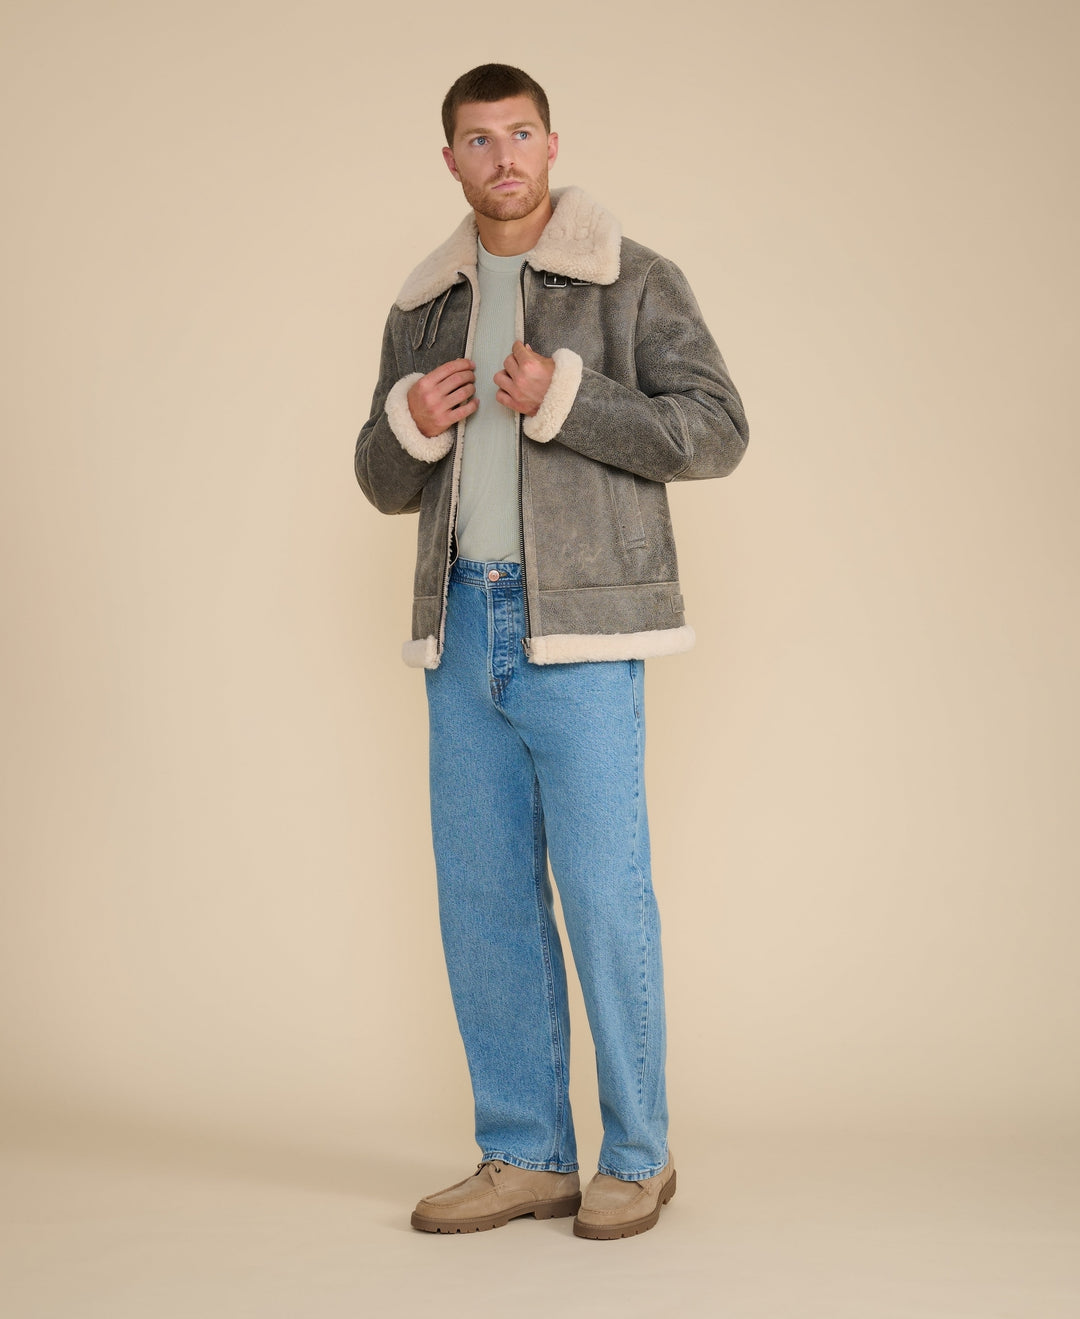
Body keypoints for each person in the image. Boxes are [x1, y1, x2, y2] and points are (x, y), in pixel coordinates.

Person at [354, 63, 747, 1240]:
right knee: (482, 897)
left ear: (551, 141)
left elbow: (717, 429)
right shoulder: (422, 308)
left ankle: (639, 1153)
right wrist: (408, 424)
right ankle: (525, 1150)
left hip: (578, 624)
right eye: (479, 140)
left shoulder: (632, 280)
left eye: (521, 133)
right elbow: (377, 481)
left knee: (602, 889)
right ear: (452, 161)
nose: (504, 156)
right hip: (460, 623)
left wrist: (569, 396)